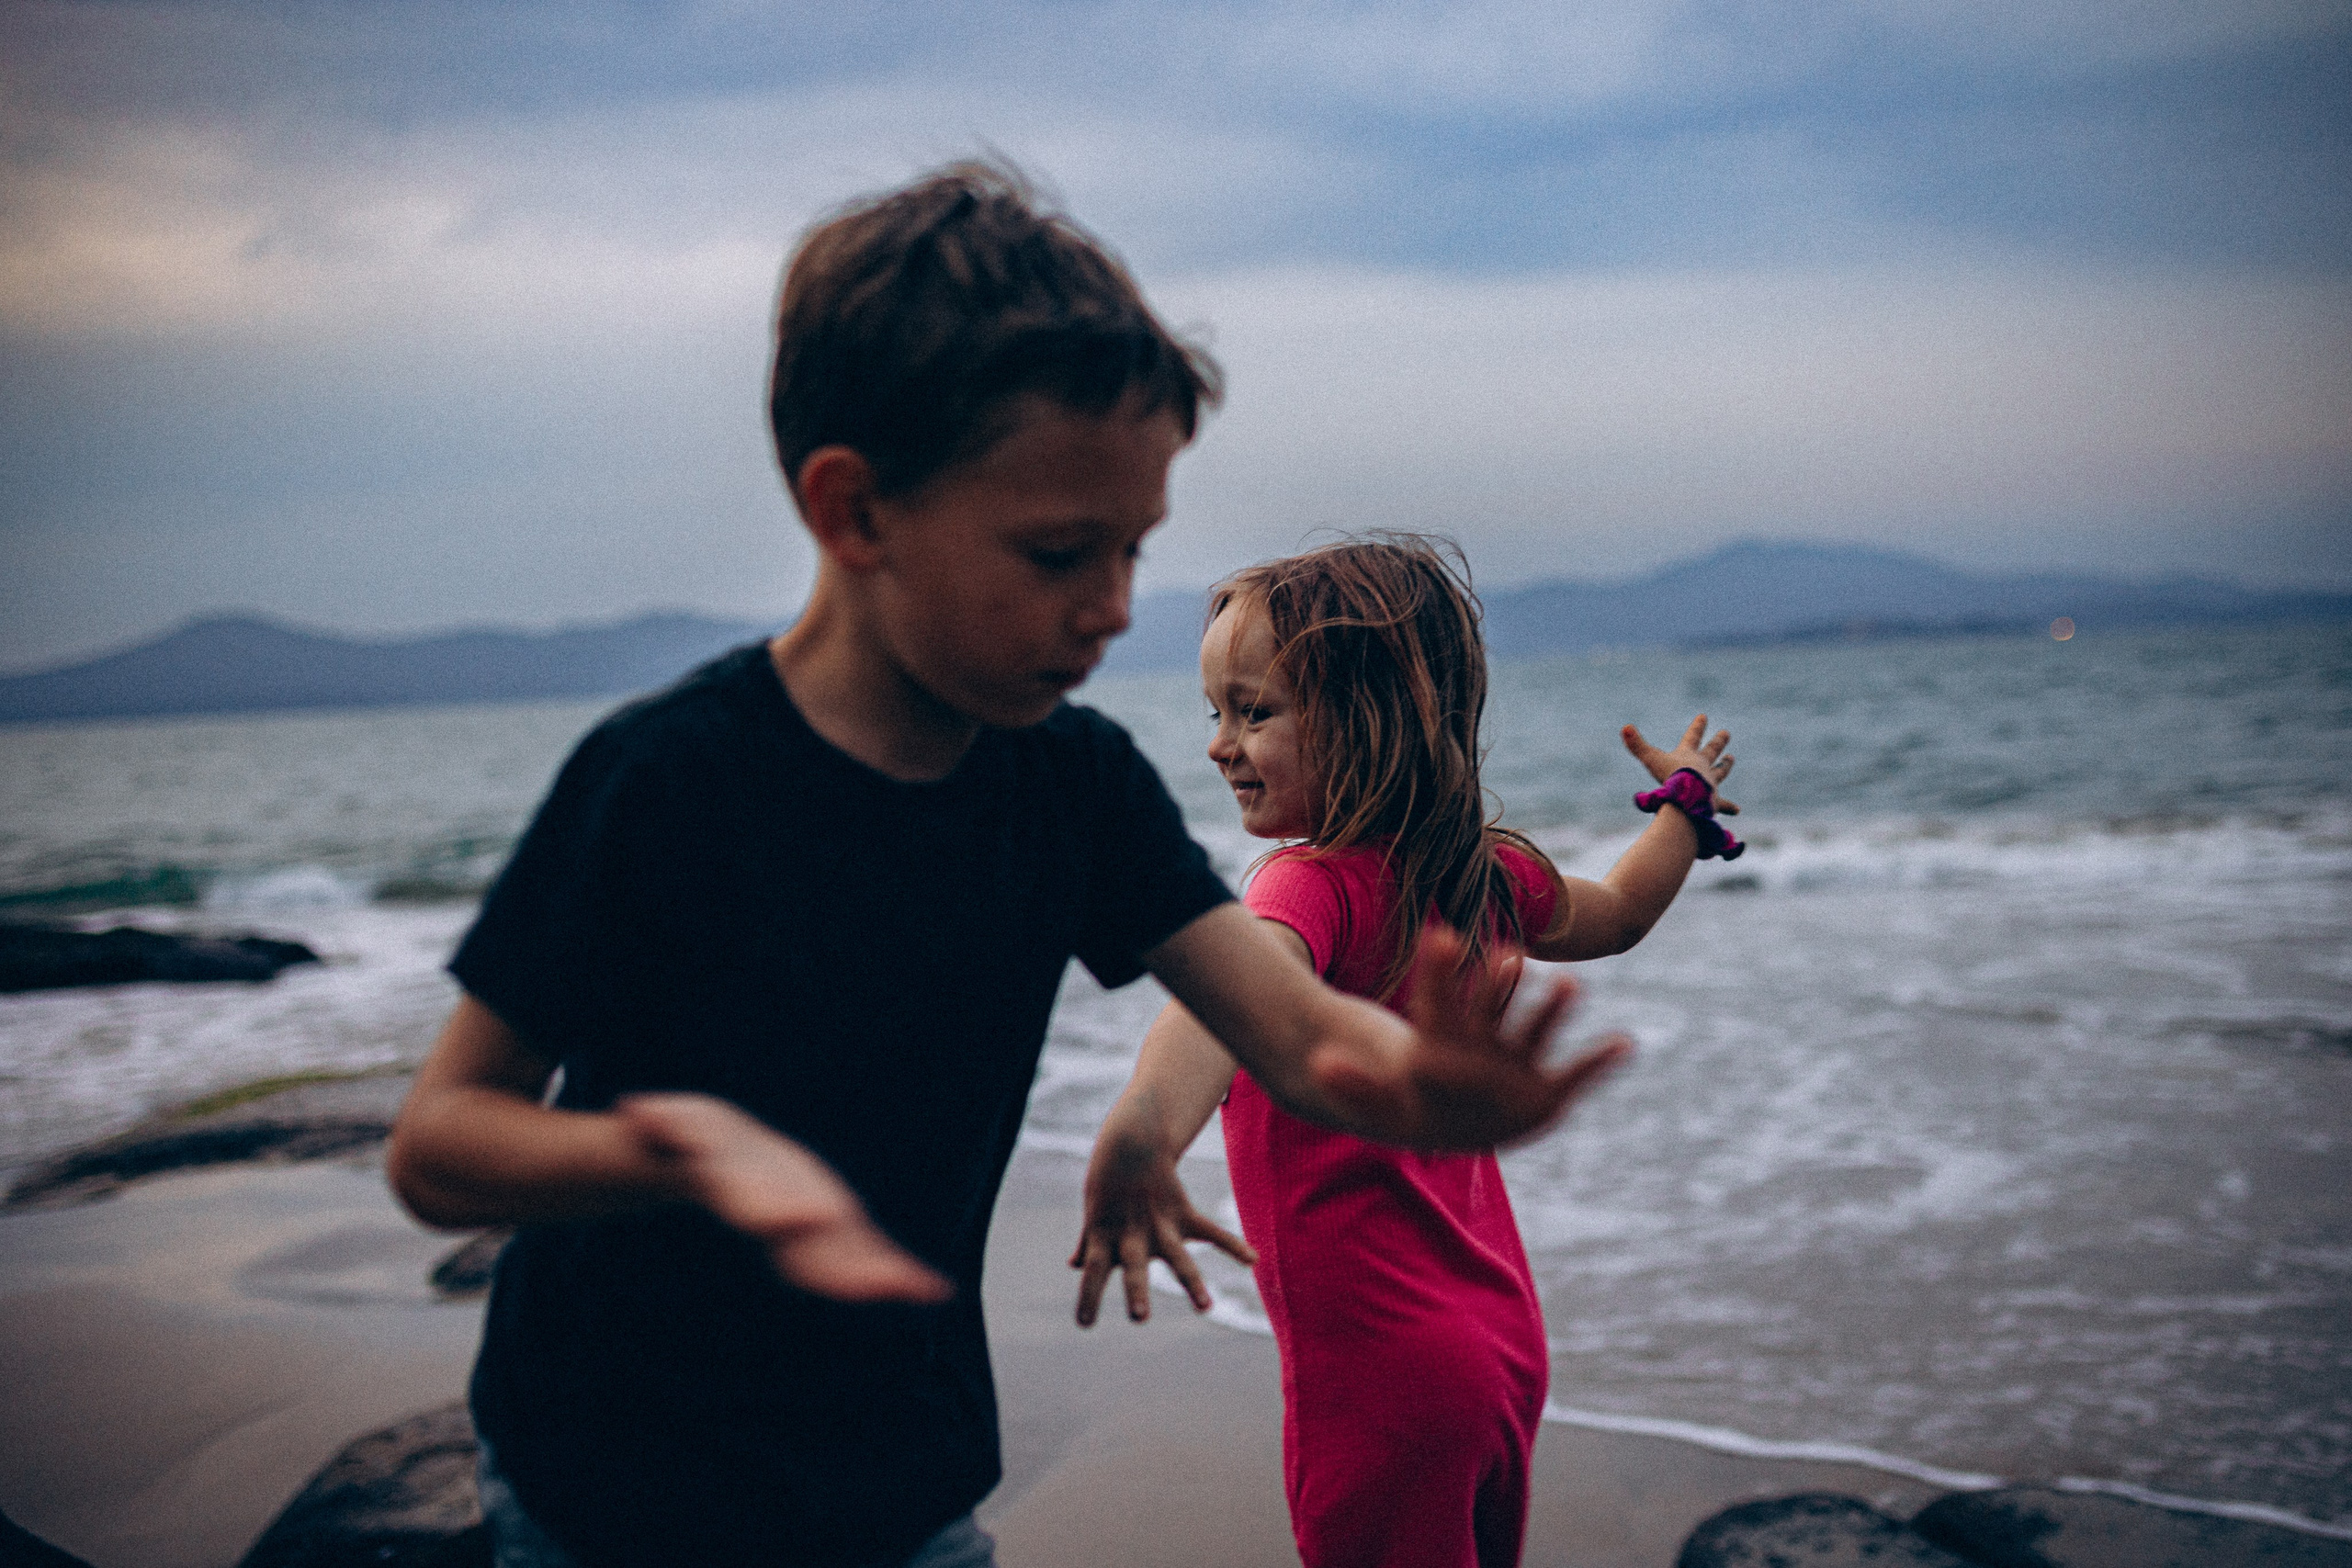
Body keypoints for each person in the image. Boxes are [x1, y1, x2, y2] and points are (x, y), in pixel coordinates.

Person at [385, 167, 1627, 1568]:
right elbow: (441, 1143)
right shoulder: (667, 780)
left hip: (898, 1474)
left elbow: (1285, 1024)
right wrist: (675, 1151)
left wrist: (1424, 1086)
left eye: (1134, 550)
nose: (1111, 608)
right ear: (854, 512)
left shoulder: (1072, 783)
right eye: (1059, 553)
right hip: (610, 1480)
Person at [1071, 536, 1742, 1568]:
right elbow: (1617, 913)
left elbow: (1225, 1000)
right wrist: (1685, 808)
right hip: (1498, 1340)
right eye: (1216, 712)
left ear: (1373, 715)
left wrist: (1143, 1129)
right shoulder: (1483, 873)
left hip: (1380, 1373)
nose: (1219, 745)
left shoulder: (1306, 884)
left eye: (1255, 711)